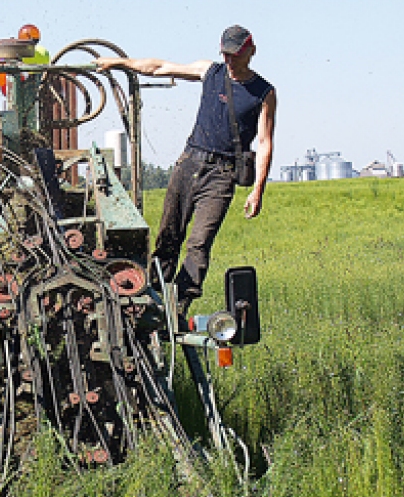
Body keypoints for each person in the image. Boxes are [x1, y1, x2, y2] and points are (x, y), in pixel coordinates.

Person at [95, 25, 276, 316]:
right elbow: (159, 68)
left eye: (234, 56)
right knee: (168, 235)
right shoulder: (211, 72)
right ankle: (150, 298)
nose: (229, 61)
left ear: (250, 52)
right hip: (190, 163)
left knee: (199, 243)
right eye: (225, 55)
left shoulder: (263, 93)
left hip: (222, 174)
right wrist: (118, 63)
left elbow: (265, 142)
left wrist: (258, 190)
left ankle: (178, 304)